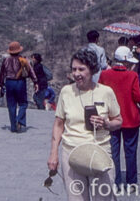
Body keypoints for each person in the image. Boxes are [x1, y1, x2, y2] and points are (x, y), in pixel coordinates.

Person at [47, 48, 122, 201]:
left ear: (92, 70)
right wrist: (53, 153)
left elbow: (119, 121)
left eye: (81, 69)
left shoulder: (106, 92)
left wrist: (106, 124)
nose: (77, 73)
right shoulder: (66, 92)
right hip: (72, 154)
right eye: (74, 69)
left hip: (99, 153)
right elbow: (59, 124)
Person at [99, 46, 140, 186]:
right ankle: (131, 182)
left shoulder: (104, 75)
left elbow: (100, 95)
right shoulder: (132, 75)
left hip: (111, 119)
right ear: (126, 62)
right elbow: (138, 97)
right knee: (130, 151)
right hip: (130, 118)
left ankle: (115, 182)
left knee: (113, 151)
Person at [0, 41, 39, 133]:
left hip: (9, 83)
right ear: (19, 50)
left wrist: (0, 85)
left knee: (11, 105)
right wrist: (35, 82)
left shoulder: (6, 60)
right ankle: (19, 120)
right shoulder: (23, 60)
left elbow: (2, 74)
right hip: (20, 82)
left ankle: (13, 127)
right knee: (23, 103)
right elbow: (31, 71)